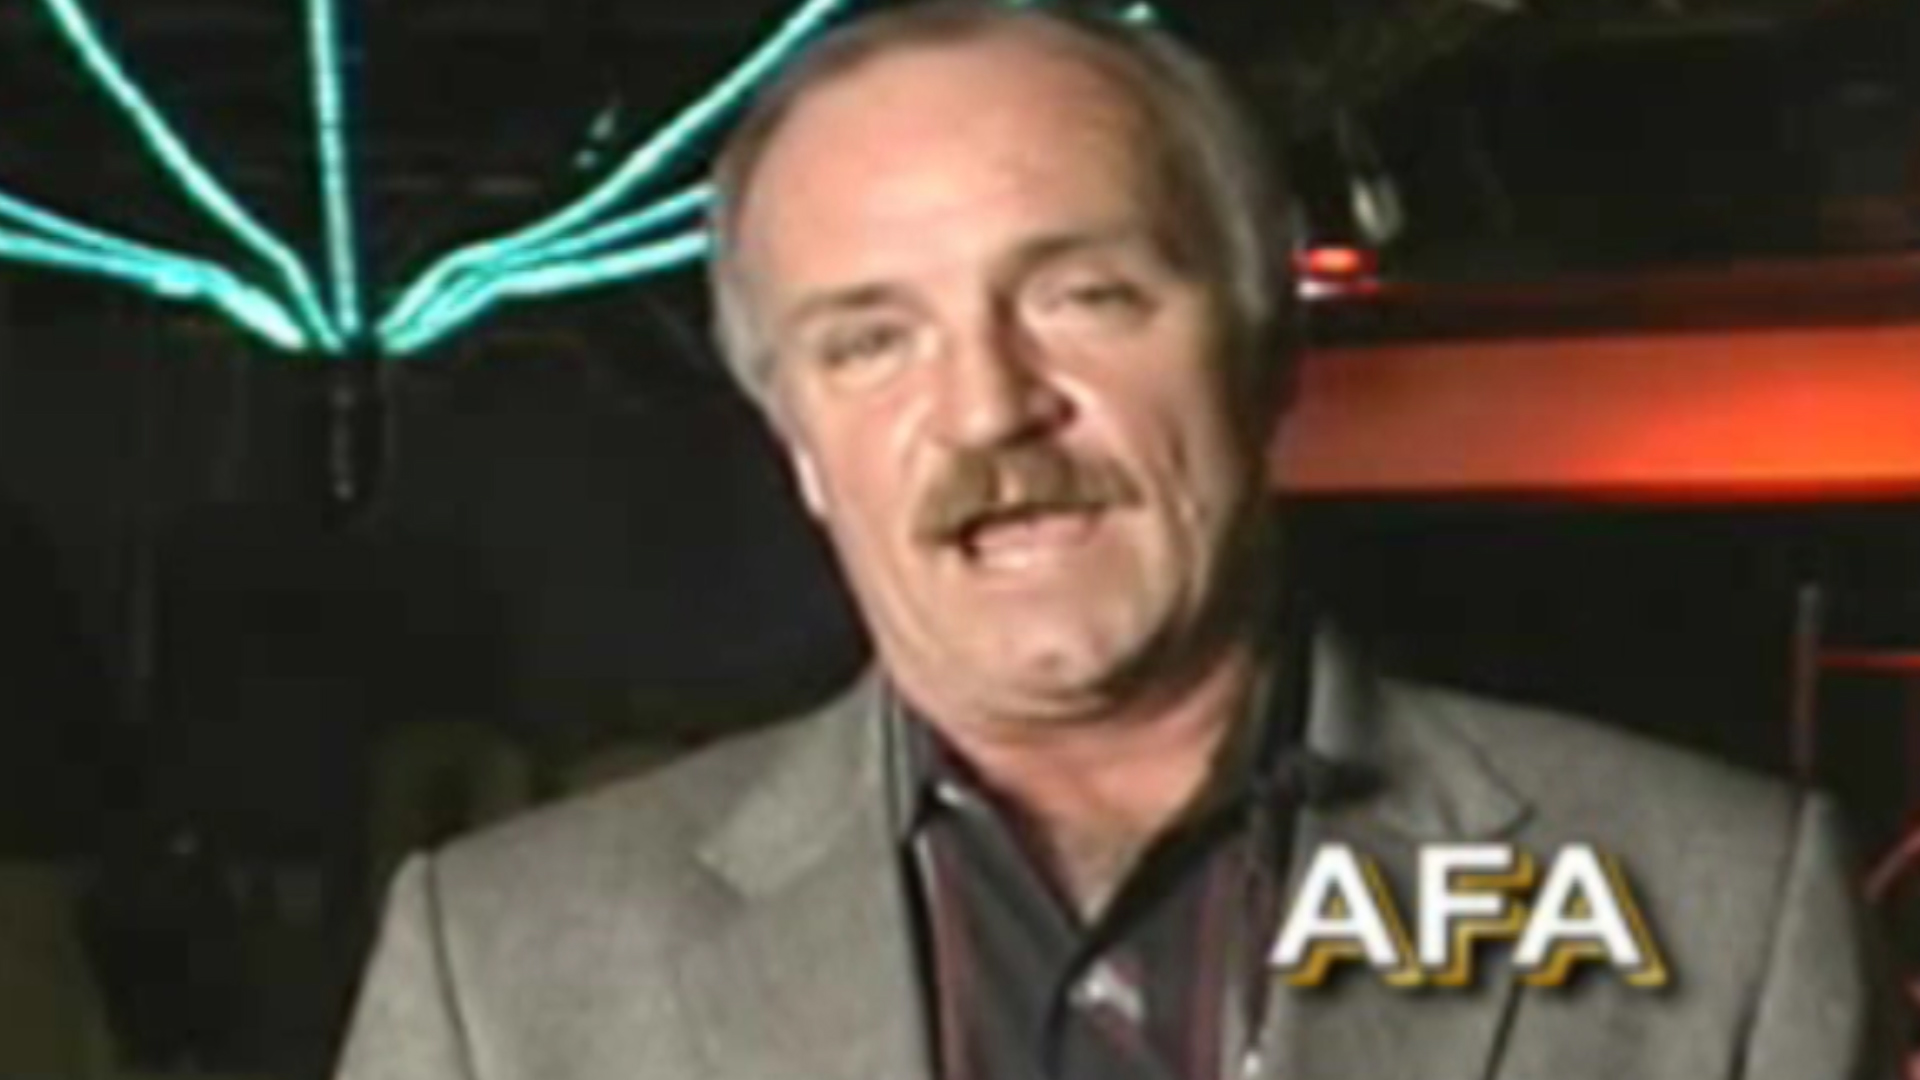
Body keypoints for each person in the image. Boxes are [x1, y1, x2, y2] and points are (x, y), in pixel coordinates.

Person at [334, 4, 1900, 1078]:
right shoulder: (508, 967)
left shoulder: (1709, 905)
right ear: (799, 445)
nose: (990, 409)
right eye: (870, 341)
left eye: (1085, 297)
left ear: (1269, 347)